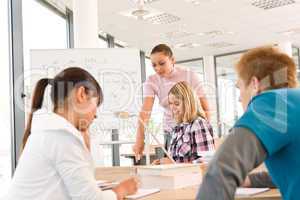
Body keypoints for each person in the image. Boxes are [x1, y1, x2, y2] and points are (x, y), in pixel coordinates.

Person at [6, 67, 138, 200]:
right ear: (81, 94)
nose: (95, 115)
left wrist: (85, 146)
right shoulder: (63, 137)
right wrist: (121, 190)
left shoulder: (48, 131)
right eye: (95, 105)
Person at [197, 46, 299, 200]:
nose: (239, 98)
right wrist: (250, 180)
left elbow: (220, 173)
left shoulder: (274, 104)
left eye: (239, 87)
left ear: (254, 84)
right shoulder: (293, 103)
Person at [133, 44, 210, 160]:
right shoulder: (152, 81)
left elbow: (206, 108)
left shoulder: (189, 75)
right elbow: (145, 112)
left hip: (191, 128)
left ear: (173, 60)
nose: (157, 68)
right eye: (154, 65)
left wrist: (203, 132)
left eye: (162, 63)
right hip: (171, 131)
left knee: (190, 164)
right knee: (172, 165)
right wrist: (139, 139)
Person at [152, 81, 215, 164]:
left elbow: (207, 161)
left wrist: (174, 164)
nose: (172, 108)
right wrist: (161, 163)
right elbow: (175, 160)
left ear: (188, 103)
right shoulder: (177, 129)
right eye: (170, 103)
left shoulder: (198, 124)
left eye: (177, 103)